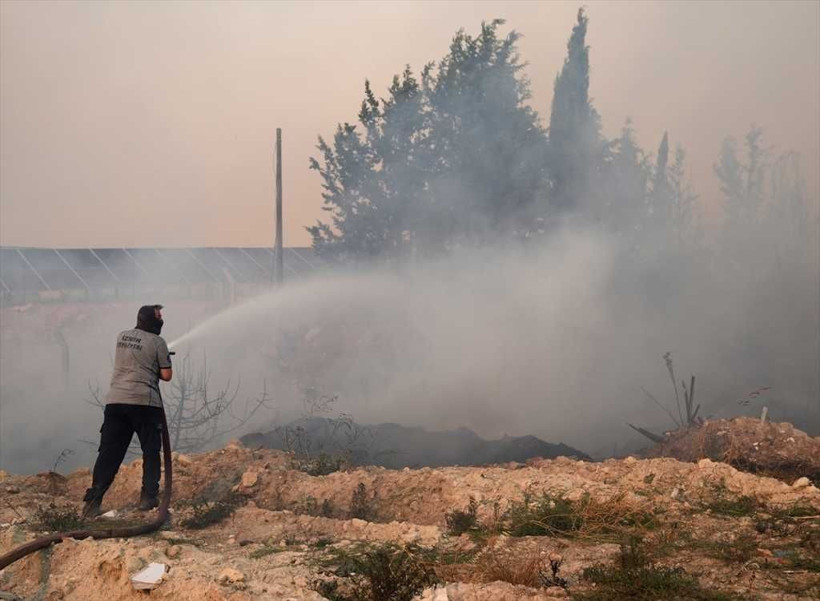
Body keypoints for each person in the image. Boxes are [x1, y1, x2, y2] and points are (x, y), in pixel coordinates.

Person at [82, 304, 173, 518]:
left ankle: (92, 503)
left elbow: (135, 358)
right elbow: (166, 375)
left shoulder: (122, 336)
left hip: (115, 403)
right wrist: (162, 361)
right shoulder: (158, 342)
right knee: (151, 451)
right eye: (159, 317)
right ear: (151, 320)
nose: (161, 320)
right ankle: (148, 498)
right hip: (145, 403)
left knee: (109, 454)